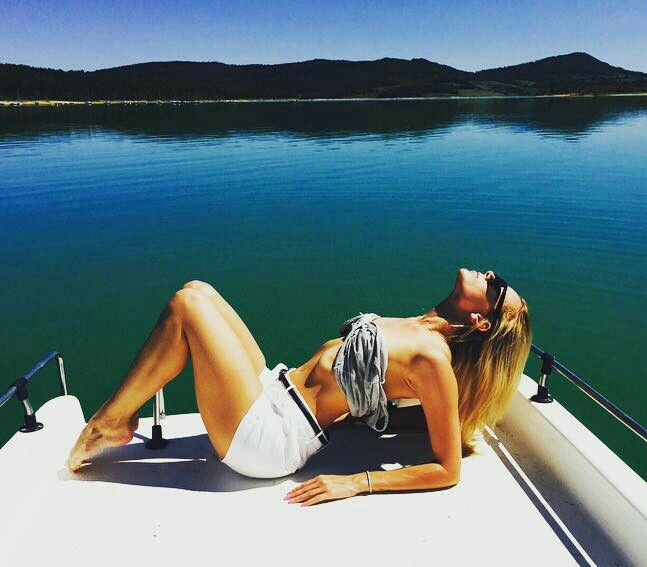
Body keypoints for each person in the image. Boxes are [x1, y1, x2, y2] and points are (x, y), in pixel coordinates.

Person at [66, 267, 531, 506]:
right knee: (198, 289)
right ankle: (115, 418)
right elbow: (379, 395)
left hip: (270, 438)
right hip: (275, 389)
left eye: (496, 287)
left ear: (482, 321)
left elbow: (448, 469)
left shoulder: (434, 359)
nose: (489, 275)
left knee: (186, 306)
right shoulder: (421, 326)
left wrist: (358, 483)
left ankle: (108, 422)